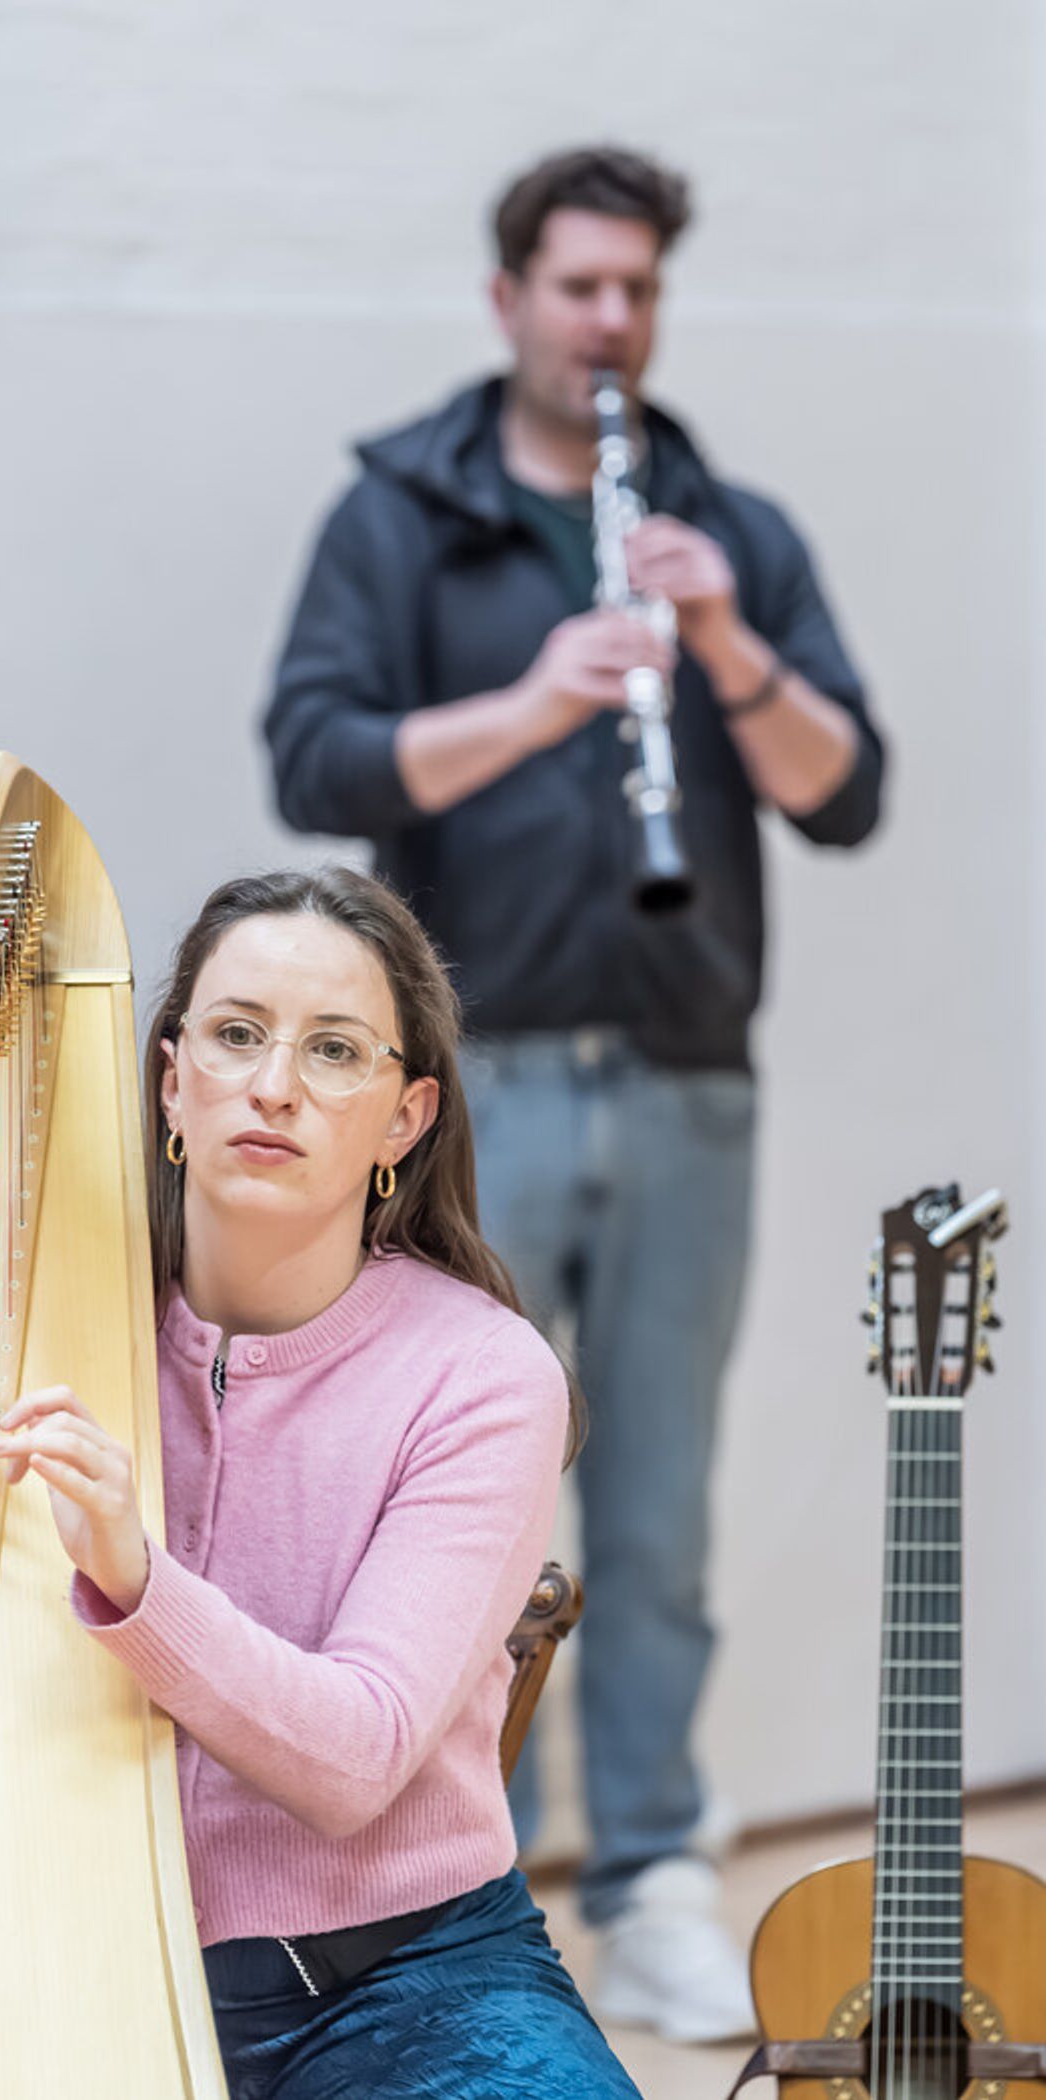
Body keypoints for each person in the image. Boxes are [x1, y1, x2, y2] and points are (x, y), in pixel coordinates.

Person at [0, 866, 642, 2100]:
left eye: (334, 1052)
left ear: (404, 1120)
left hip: (407, 1984)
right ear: (173, 1079)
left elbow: (355, 1760)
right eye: (237, 1036)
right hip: (65, 1969)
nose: (274, 1086)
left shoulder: (481, 1376)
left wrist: (136, 1576)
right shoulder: (19, 1328)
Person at [263, 146, 887, 2041]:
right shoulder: (402, 515)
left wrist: (722, 643)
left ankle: (657, 1877)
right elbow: (315, 756)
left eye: (639, 292)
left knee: (660, 1514)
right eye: (580, 286)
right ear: (509, 298)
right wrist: (544, 698)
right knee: (460, 1513)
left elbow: (844, 788)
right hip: (465, 1087)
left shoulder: (733, 527)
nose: (612, 322)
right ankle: (470, 1891)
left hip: (687, 1075)